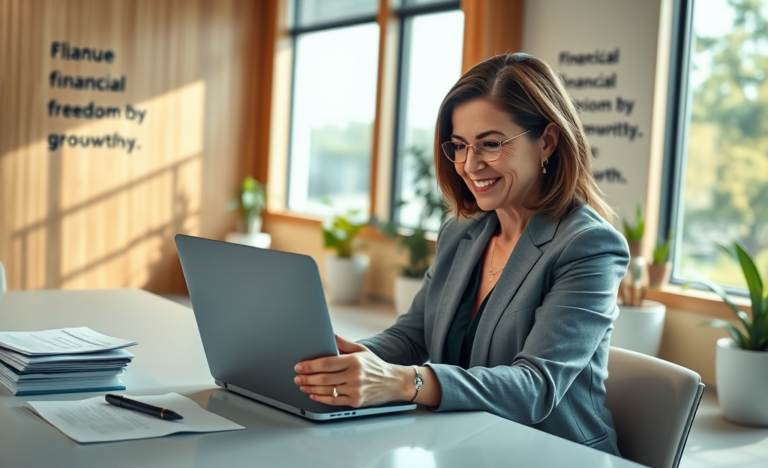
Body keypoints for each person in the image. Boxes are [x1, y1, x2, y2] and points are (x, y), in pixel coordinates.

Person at [293, 53, 630, 456]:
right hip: (463, 445)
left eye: (490, 144)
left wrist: (404, 382)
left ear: (548, 142)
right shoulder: (461, 232)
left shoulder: (589, 247)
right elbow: (412, 335)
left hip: (555, 453)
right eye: (459, 146)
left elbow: (535, 387)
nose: (470, 165)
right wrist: (334, 363)